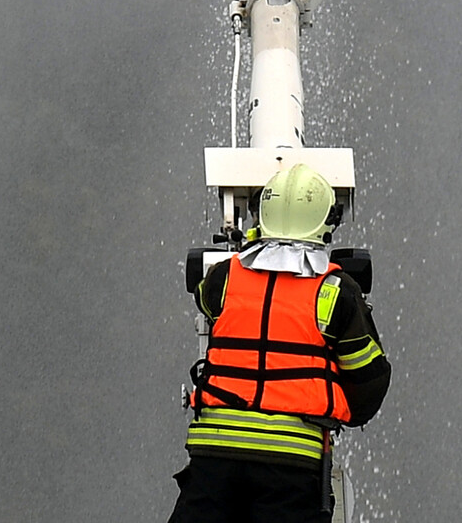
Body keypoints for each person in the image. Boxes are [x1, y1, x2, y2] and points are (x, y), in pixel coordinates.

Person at [167, 163, 390, 523]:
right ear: (324, 223)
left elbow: (205, 300)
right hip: (291, 466)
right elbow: (369, 380)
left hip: (215, 457)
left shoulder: (224, 277)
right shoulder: (337, 292)